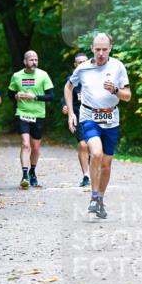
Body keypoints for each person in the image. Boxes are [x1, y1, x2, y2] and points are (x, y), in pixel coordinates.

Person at [64, 33, 131, 219]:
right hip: (89, 116)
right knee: (96, 153)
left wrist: (115, 90)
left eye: (104, 49)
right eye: (97, 49)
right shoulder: (83, 68)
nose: (101, 53)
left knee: (107, 164)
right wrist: (71, 113)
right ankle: (93, 196)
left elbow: (128, 96)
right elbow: (68, 87)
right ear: (92, 48)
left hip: (111, 118)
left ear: (110, 48)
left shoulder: (118, 66)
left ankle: (100, 198)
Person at [8, 50, 53, 189]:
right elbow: (10, 93)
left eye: (36, 60)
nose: (34, 62)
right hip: (22, 113)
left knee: (35, 147)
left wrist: (35, 97)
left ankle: (33, 171)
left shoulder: (43, 75)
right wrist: (16, 96)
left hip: (38, 114)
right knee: (25, 144)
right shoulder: (16, 76)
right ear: (25, 61)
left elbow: (51, 96)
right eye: (31, 59)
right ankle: (24, 174)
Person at [61, 52, 91, 187]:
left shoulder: (94, 77)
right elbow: (65, 97)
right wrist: (65, 107)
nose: (82, 64)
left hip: (94, 115)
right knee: (83, 144)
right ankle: (86, 175)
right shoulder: (71, 79)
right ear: (75, 65)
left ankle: (92, 169)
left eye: (85, 61)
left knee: (93, 146)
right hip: (78, 115)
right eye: (79, 62)